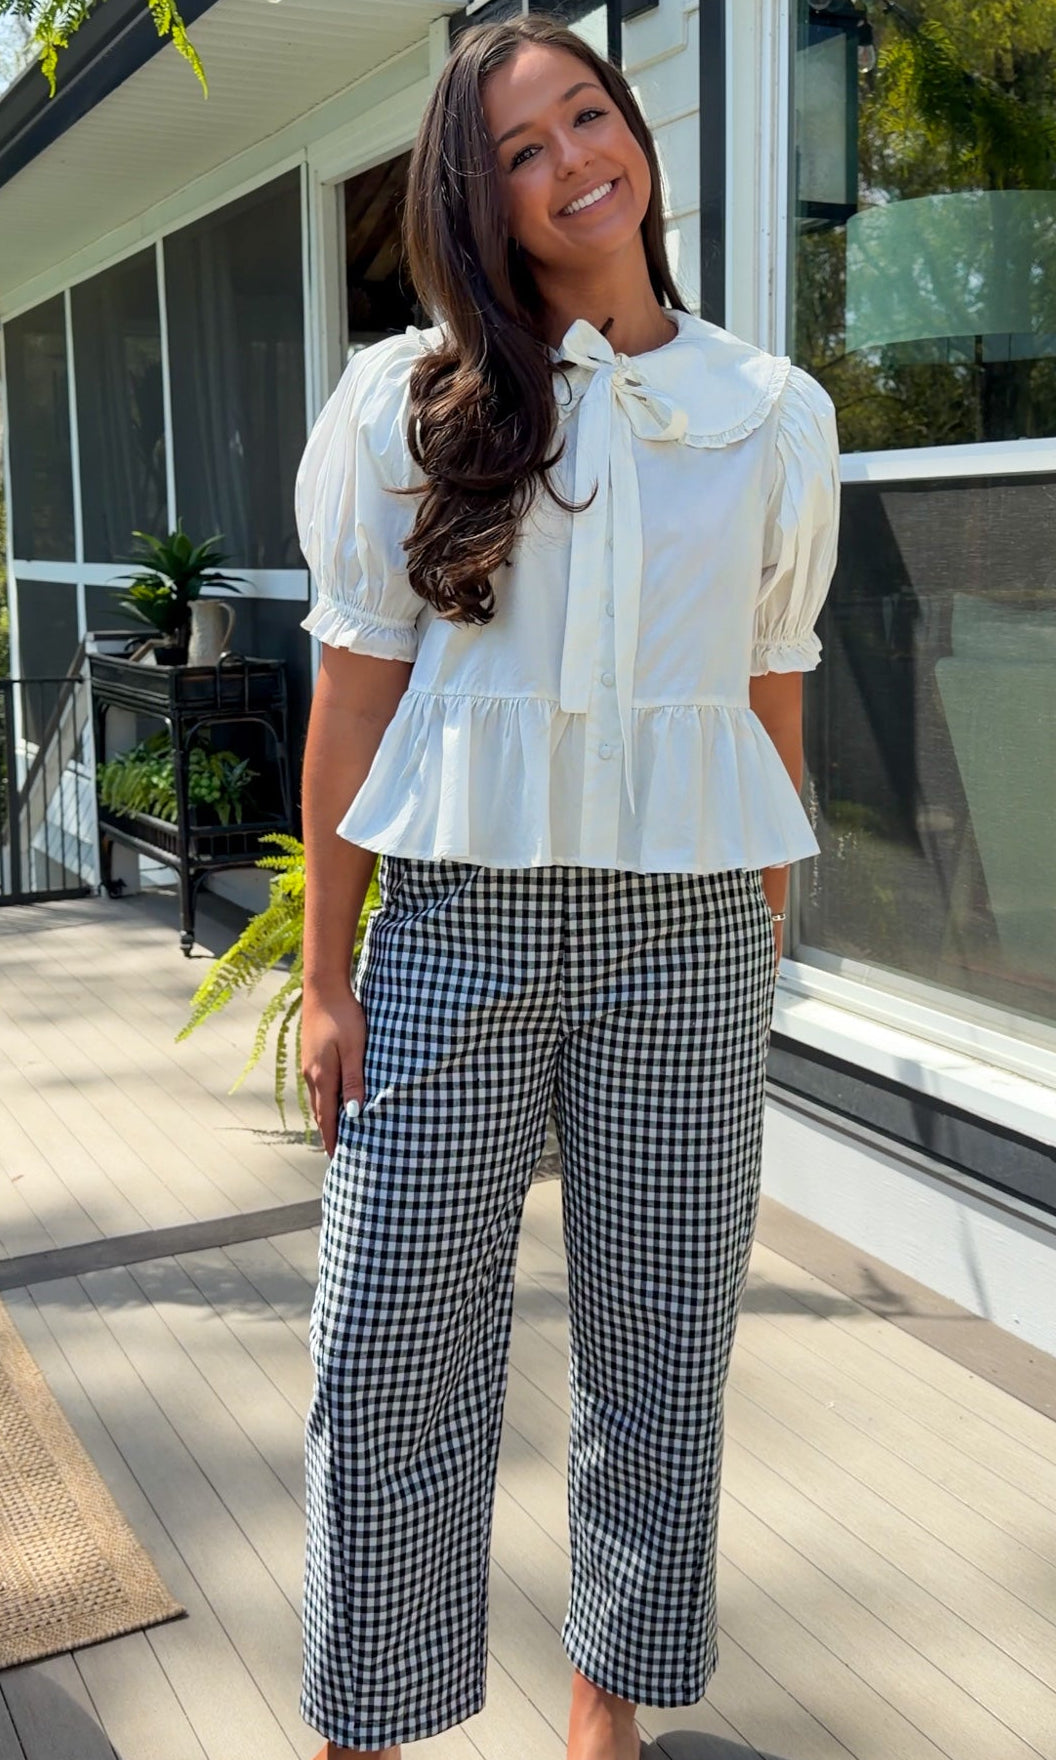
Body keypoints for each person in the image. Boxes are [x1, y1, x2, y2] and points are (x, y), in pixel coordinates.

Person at [294, 13, 840, 1760]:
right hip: (459, 929)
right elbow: (354, 693)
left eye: (587, 117)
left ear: (638, 132)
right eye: (517, 149)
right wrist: (325, 973)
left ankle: (604, 1722)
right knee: (386, 1349)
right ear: (478, 194)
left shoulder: (770, 411)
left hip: (689, 941)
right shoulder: (406, 397)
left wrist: (760, 920)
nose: (570, 165)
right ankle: (364, 1726)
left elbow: (775, 689)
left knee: (664, 1355)